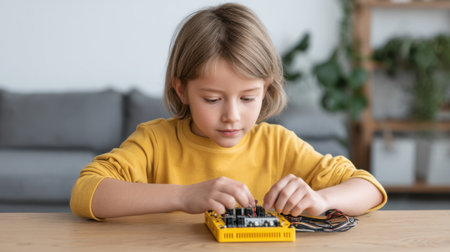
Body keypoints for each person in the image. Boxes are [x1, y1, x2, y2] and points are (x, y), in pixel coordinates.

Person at [70, 3, 386, 221]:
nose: (232, 116)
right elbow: (86, 193)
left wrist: (322, 200)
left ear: (266, 89)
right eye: (212, 100)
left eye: (248, 98)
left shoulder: (278, 144)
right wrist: (182, 197)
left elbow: (369, 188)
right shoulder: (155, 142)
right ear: (181, 90)